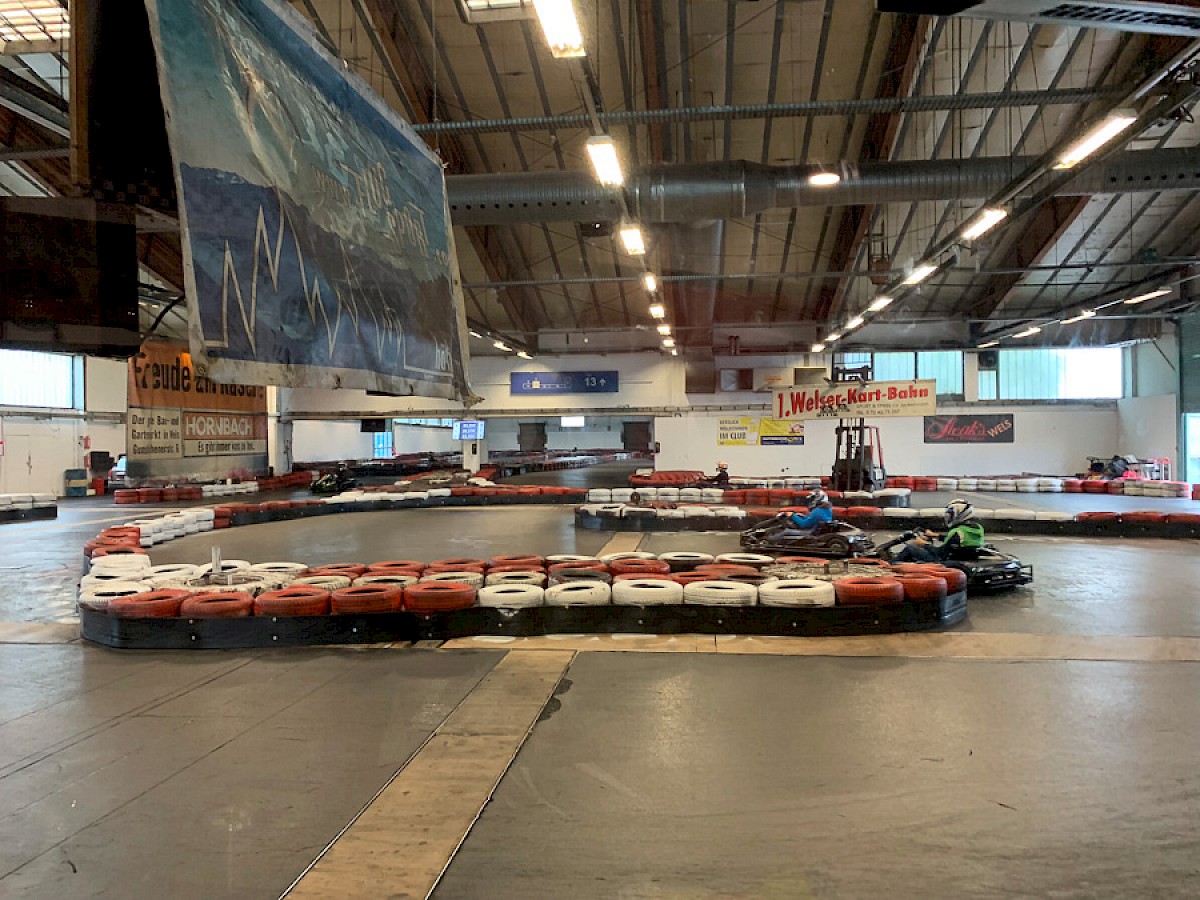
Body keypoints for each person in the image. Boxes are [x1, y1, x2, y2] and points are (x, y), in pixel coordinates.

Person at [894, 499, 985, 562]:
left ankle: (890, 568)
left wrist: (924, 544)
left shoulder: (957, 532)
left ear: (959, 514)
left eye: (951, 514)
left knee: (909, 549)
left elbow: (940, 553)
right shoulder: (976, 528)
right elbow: (958, 540)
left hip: (943, 561)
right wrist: (936, 535)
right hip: (963, 557)